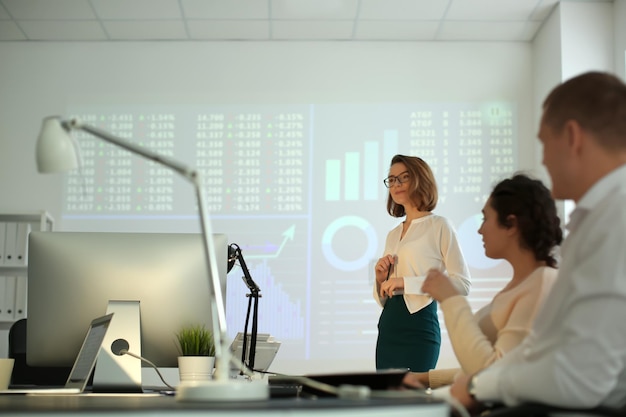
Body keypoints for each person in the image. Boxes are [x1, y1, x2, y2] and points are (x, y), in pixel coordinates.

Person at [449, 71, 626, 414]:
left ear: (573, 136)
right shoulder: (596, 219)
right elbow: (540, 349)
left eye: (544, 142)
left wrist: (478, 386)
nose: (543, 159)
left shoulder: (614, 221)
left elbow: (578, 378)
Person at [403, 173, 562, 390]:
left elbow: (493, 372)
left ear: (511, 224)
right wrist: (424, 379)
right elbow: (486, 368)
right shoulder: (524, 284)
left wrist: (451, 300)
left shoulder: (542, 283)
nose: (480, 229)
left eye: (486, 219)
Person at [374, 154, 471, 372]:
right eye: (391, 179)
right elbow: (385, 296)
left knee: (412, 400)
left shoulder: (440, 226)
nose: (396, 184)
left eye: (404, 177)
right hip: (389, 326)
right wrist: (380, 279)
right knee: (386, 401)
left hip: (419, 328)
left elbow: (462, 284)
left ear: (420, 179)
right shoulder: (393, 234)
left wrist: (405, 283)